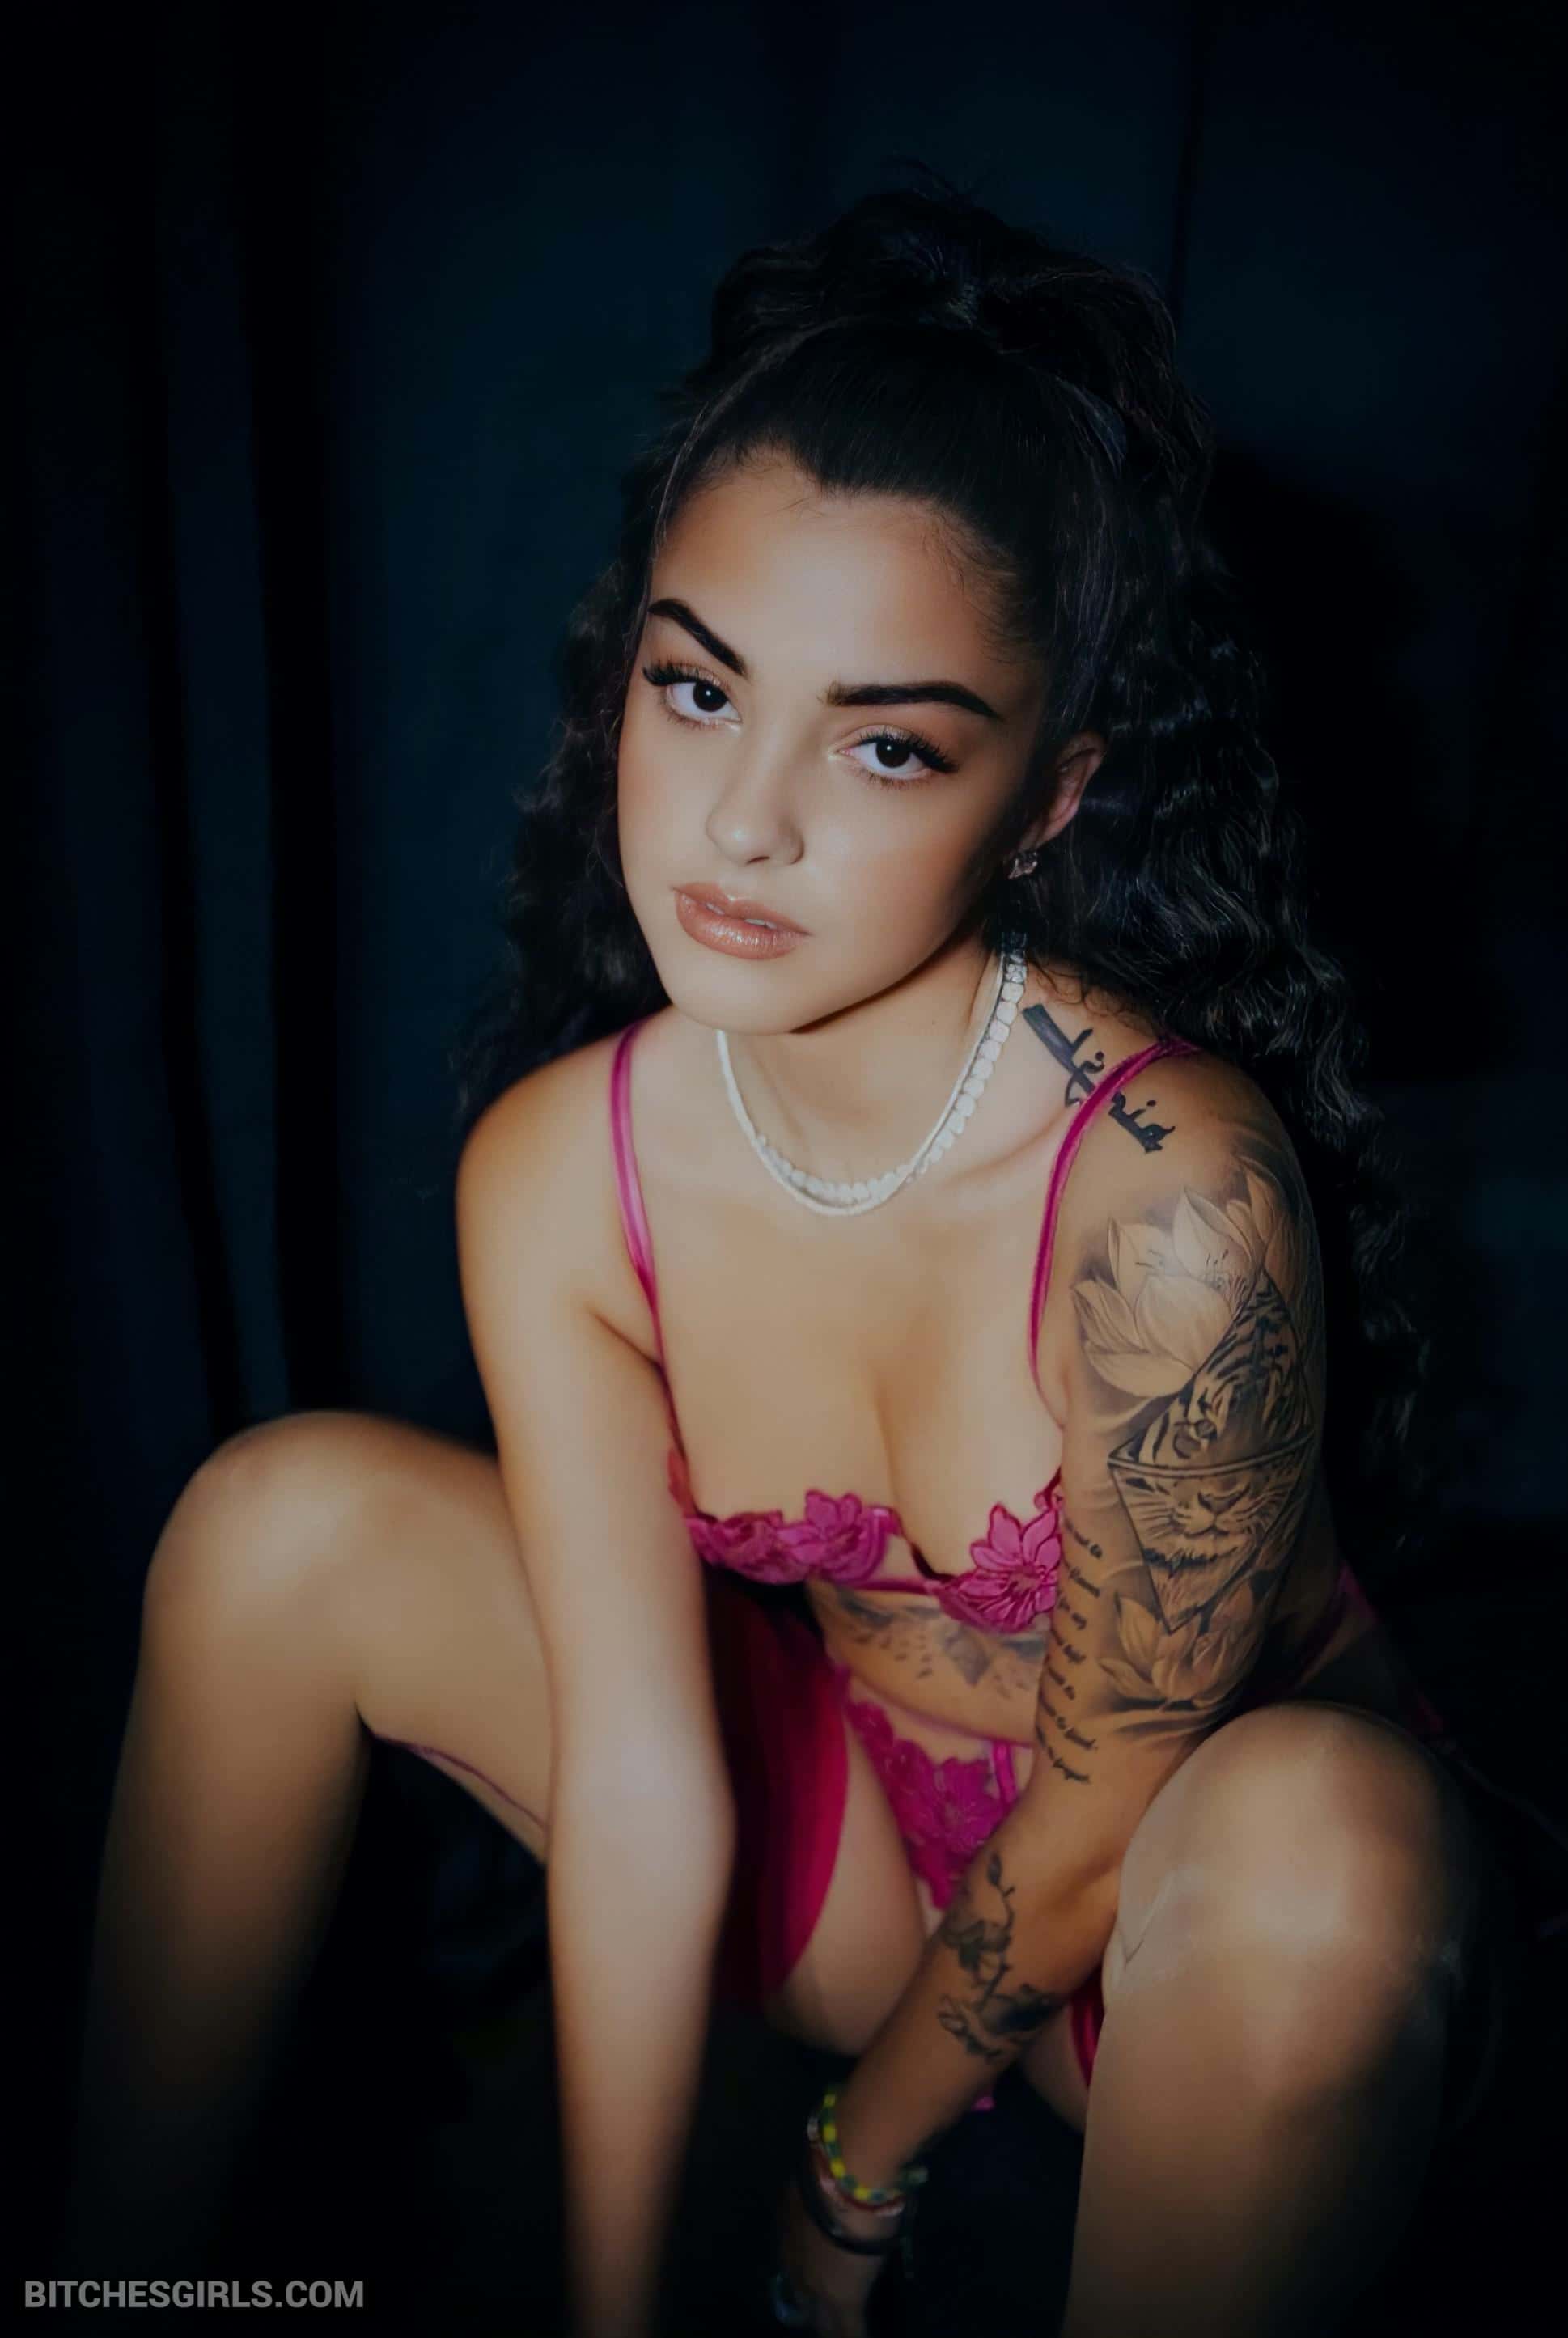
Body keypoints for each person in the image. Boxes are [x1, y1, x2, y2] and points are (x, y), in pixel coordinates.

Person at [66, 169, 1525, 2338]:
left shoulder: (1167, 1196)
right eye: (696, 691)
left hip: (1188, 1938)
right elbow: (646, 1777)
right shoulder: (566, 1166)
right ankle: (106, 2287)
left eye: (884, 743)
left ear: (1048, 796)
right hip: (857, 1873)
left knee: (1324, 1831)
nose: (743, 825)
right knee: (278, 1522)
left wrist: (842, 2180)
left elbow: (1107, 1813)